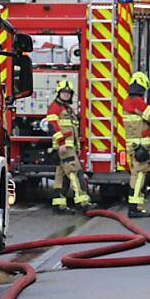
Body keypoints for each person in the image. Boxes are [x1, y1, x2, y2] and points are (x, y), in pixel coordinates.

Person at [45, 80, 93, 213]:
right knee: (75, 172)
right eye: (63, 92)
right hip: (64, 148)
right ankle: (83, 202)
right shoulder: (55, 107)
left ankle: (59, 205)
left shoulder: (68, 109)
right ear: (58, 93)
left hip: (69, 148)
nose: (66, 95)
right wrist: (61, 142)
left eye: (68, 93)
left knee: (62, 176)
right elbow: (52, 126)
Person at [123, 72, 150, 218]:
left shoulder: (129, 100)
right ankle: (134, 208)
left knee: (139, 175)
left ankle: (138, 205)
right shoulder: (136, 101)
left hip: (136, 146)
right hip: (140, 147)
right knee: (139, 176)